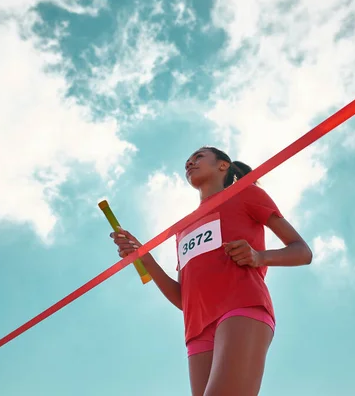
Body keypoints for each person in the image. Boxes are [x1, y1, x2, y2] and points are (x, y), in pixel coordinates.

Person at [111, 146, 313, 396]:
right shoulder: (182, 227)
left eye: (198, 157)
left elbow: (302, 252)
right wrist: (144, 257)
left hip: (242, 307)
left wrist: (258, 257)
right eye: (187, 161)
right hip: (197, 329)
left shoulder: (247, 193)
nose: (189, 163)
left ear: (223, 165)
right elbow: (183, 299)